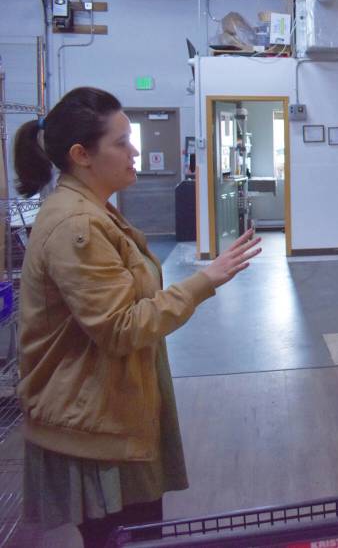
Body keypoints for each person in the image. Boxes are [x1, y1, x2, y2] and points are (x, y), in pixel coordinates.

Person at [13, 87, 261, 547]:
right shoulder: (77, 225)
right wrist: (206, 280)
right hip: (95, 426)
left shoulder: (93, 211)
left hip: (110, 411)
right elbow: (121, 326)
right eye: (121, 142)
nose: (134, 151)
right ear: (81, 155)